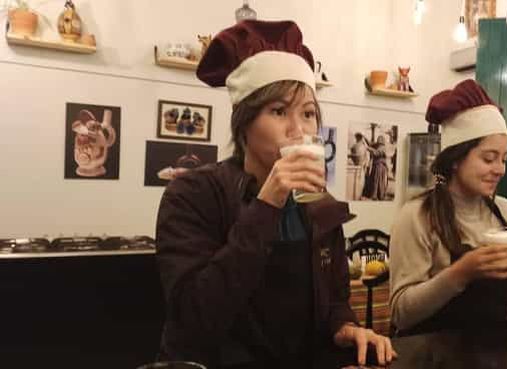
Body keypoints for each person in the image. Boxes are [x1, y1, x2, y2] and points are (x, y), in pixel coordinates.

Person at [155, 20, 395, 368]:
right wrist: (267, 202)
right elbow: (194, 318)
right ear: (244, 125)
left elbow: (336, 299)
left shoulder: (318, 203)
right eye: (279, 111)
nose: (299, 130)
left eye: (309, 114)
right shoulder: (192, 193)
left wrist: (345, 327)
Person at [389, 79, 507, 335]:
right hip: (431, 360)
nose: (500, 169)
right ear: (455, 159)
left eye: (504, 159)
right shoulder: (417, 216)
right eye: (489, 158)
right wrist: (461, 273)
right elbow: (401, 314)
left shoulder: (506, 213)